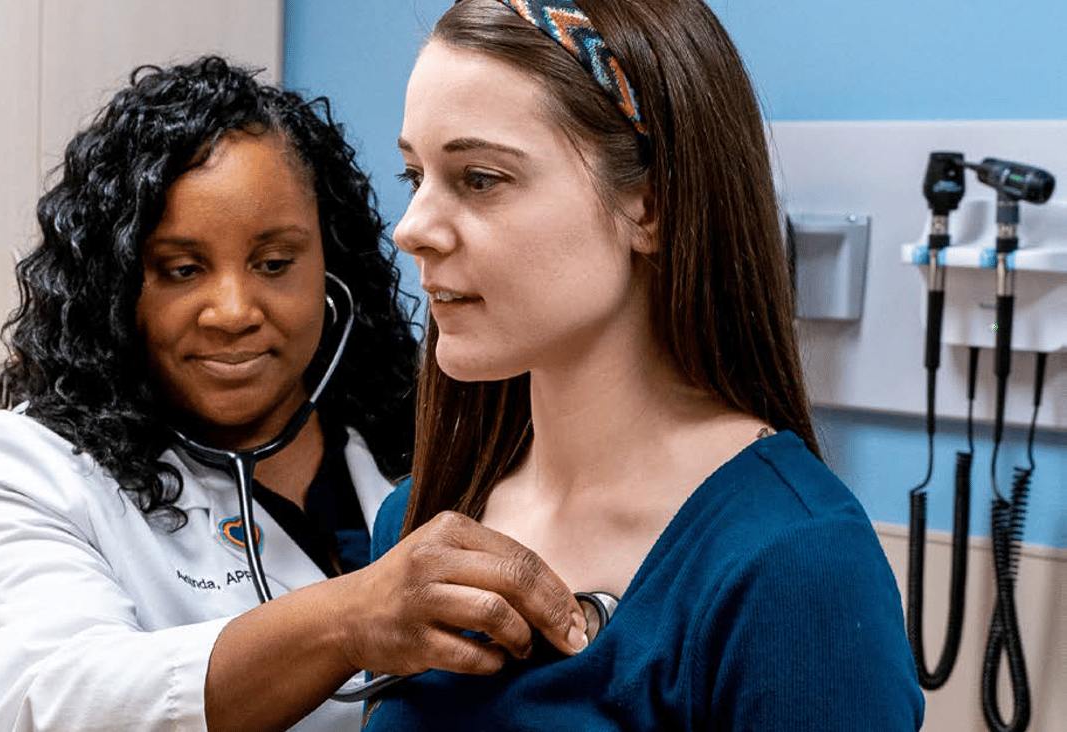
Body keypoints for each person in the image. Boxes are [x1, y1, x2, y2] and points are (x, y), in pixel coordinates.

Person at [0, 55, 589, 732]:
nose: (234, 310)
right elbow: (53, 704)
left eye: (274, 264)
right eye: (181, 271)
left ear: (331, 266)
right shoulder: (18, 473)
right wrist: (352, 617)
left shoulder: (418, 449)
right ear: (114, 290)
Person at [364, 0, 925, 729]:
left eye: (479, 178)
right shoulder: (419, 525)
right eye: (414, 176)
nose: (412, 229)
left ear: (649, 205)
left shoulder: (796, 569)